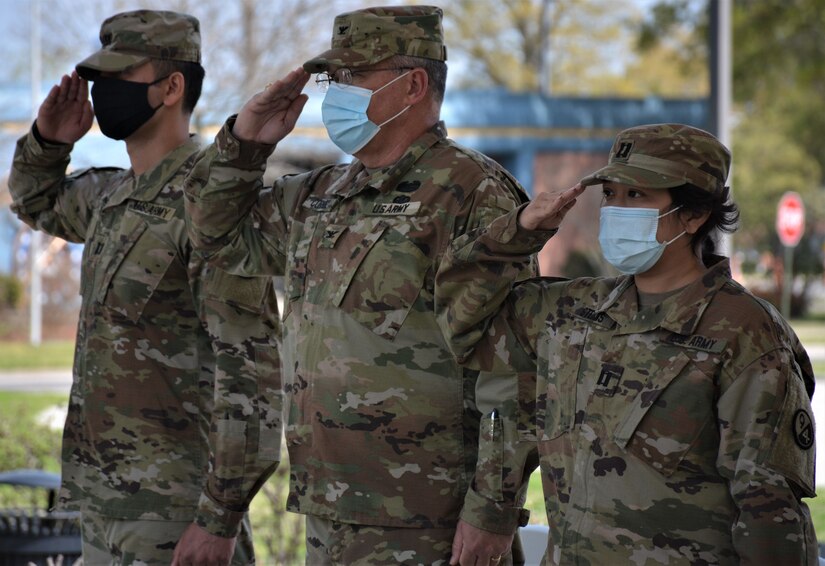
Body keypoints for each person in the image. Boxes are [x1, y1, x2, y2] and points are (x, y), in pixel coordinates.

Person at [183, 5, 539, 564]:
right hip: (330, 503)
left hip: (429, 517)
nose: (336, 93)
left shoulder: (471, 193)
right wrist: (245, 144)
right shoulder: (318, 194)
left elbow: (513, 370)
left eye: (353, 77)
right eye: (334, 79)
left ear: (412, 85)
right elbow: (214, 235)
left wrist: (492, 510)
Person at [437, 123, 819, 564]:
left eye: (637, 196)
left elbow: (769, 513)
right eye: (611, 195)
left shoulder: (744, 333)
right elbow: (462, 320)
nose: (617, 209)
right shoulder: (573, 310)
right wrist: (519, 231)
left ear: (693, 215)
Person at [8, 10, 282, 565]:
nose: (102, 92)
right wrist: (47, 141)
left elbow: (250, 372)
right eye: (99, 79)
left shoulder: (211, 204)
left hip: (176, 514)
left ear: (171, 87)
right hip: (102, 504)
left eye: (118, 77)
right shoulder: (112, 197)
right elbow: (34, 200)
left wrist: (218, 519)